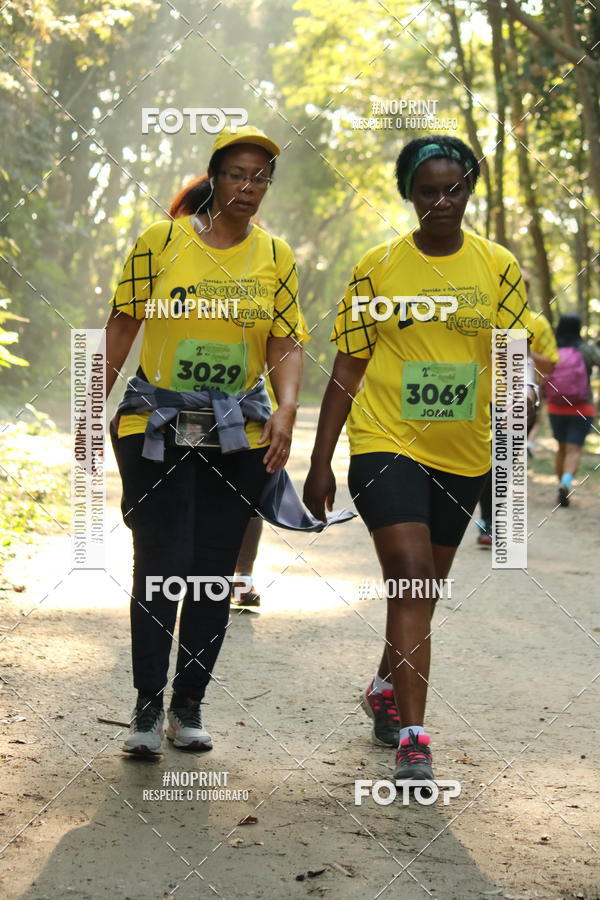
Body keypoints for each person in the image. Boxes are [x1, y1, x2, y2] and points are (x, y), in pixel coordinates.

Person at [303, 136, 535, 784]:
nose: (441, 201)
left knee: (421, 591)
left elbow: (513, 365)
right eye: (427, 190)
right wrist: (320, 462)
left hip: (463, 454)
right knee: (408, 574)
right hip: (385, 441)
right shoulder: (378, 267)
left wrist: (515, 439)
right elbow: (347, 367)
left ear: (469, 190)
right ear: (409, 194)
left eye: (453, 189)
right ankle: (414, 737)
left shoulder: (498, 268)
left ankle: (385, 686)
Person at [105, 125, 306, 754]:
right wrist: (90, 409)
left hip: (235, 434)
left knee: (213, 572)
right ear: (214, 177)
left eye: (261, 177)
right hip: (154, 426)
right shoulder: (161, 242)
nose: (249, 187)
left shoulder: (275, 257)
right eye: (238, 174)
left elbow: (286, 340)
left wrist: (288, 406)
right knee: (162, 564)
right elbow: (121, 323)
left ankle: (187, 706)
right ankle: (145, 706)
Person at [475, 307, 557, 546]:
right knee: (479, 461)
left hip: (516, 403)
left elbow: (550, 365)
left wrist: (521, 347)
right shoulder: (477, 315)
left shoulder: (537, 322)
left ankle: (488, 521)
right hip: (477, 400)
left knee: (503, 463)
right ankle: (484, 520)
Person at [545, 313, 600, 507]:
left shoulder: (552, 347)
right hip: (582, 406)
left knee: (561, 448)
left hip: (555, 406)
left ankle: (560, 487)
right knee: (574, 449)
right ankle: (565, 483)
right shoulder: (585, 349)